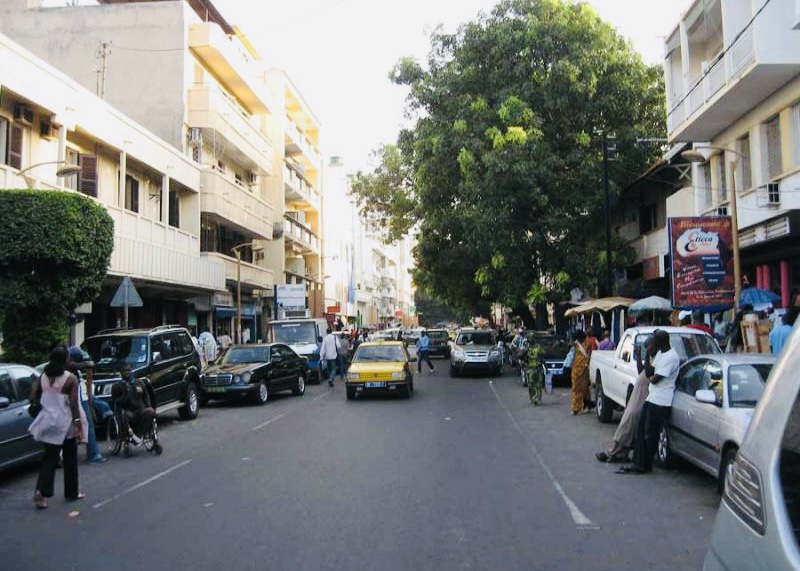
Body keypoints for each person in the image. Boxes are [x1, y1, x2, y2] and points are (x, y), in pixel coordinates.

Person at [29, 346, 87, 509]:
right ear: (66, 360)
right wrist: (78, 425)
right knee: (70, 457)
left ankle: (41, 491)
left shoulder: (43, 377)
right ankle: (72, 491)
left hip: (47, 420)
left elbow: (33, 396)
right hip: (65, 422)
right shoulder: (70, 379)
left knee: (49, 458)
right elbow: (74, 404)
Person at [618, 330, 680, 475]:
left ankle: (645, 464)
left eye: (654, 342)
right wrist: (644, 354)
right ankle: (639, 463)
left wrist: (652, 377)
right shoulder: (660, 354)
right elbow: (647, 373)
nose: (652, 344)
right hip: (652, 398)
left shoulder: (671, 357)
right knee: (641, 430)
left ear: (661, 342)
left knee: (650, 434)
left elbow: (655, 379)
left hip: (661, 401)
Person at [596, 334, 656, 463]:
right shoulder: (652, 357)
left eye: (650, 345)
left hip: (644, 396)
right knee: (626, 424)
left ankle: (613, 452)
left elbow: (650, 372)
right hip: (638, 394)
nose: (648, 348)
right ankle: (616, 452)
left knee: (629, 424)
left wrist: (646, 355)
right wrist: (640, 356)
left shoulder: (659, 358)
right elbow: (642, 372)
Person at [67, 346, 108, 464]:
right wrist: (88, 363)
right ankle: (94, 455)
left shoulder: (68, 370)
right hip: (78, 401)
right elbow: (84, 365)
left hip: (70, 401)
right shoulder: (71, 369)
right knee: (88, 426)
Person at [111, 364, 155, 442]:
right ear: (121, 373)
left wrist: (148, 405)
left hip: (140, 409)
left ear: (131, 371)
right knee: (125, 416)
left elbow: (146, 395)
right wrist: (125, 394)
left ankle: (139, 433)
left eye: (128, 370)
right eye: (124, 371)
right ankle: (127, 436)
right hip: (128, 411)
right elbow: (116, 401)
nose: (127, 373)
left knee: (150, 412)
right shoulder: (116, 386)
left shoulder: (139, 382)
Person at [570, 330, 592, 415]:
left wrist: (587, 363)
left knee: (584, 388)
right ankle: (576, 407)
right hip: (577, 368)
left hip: (584, 368)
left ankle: (585, 405)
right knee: (576, 388)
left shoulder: (587, 343)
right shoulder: (576, 343)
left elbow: (588, 354)